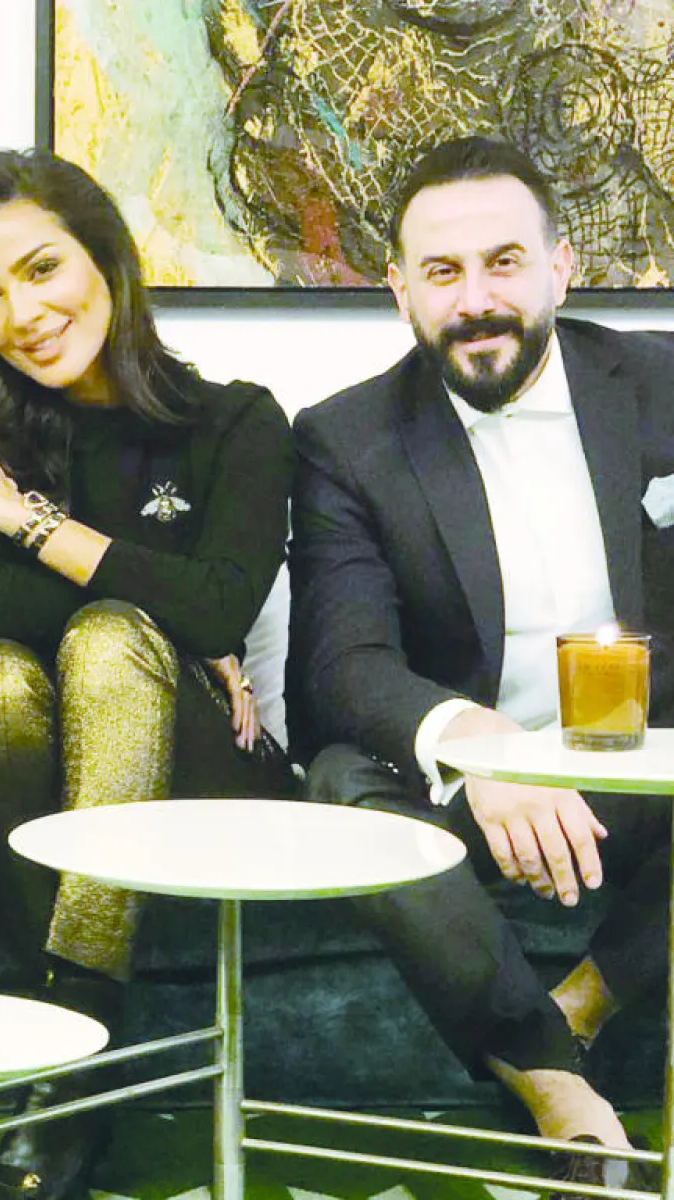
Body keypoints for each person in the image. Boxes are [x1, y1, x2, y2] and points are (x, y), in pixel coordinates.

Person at [287, 135, 674, 1190]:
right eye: (443, 272)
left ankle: (579, 1006)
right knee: (340, 786)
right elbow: (342, 662)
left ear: (562, 265)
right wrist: (481, 746)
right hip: (461, 792)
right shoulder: (345, 438)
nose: (476, 301)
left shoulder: (662, 386)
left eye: (504, 262)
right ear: (399, 290)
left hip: (644, 769)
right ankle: (555, 1082)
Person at [0, 148, 296, 1200]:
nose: (19, 316)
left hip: (204, 775)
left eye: (42, 269)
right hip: (7, 766)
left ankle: (68, 1048)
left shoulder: (236, 421)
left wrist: (21, 521)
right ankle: (79, 1073)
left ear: (107, 259)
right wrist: (168, 609)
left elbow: (223, 608)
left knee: (110, 644)